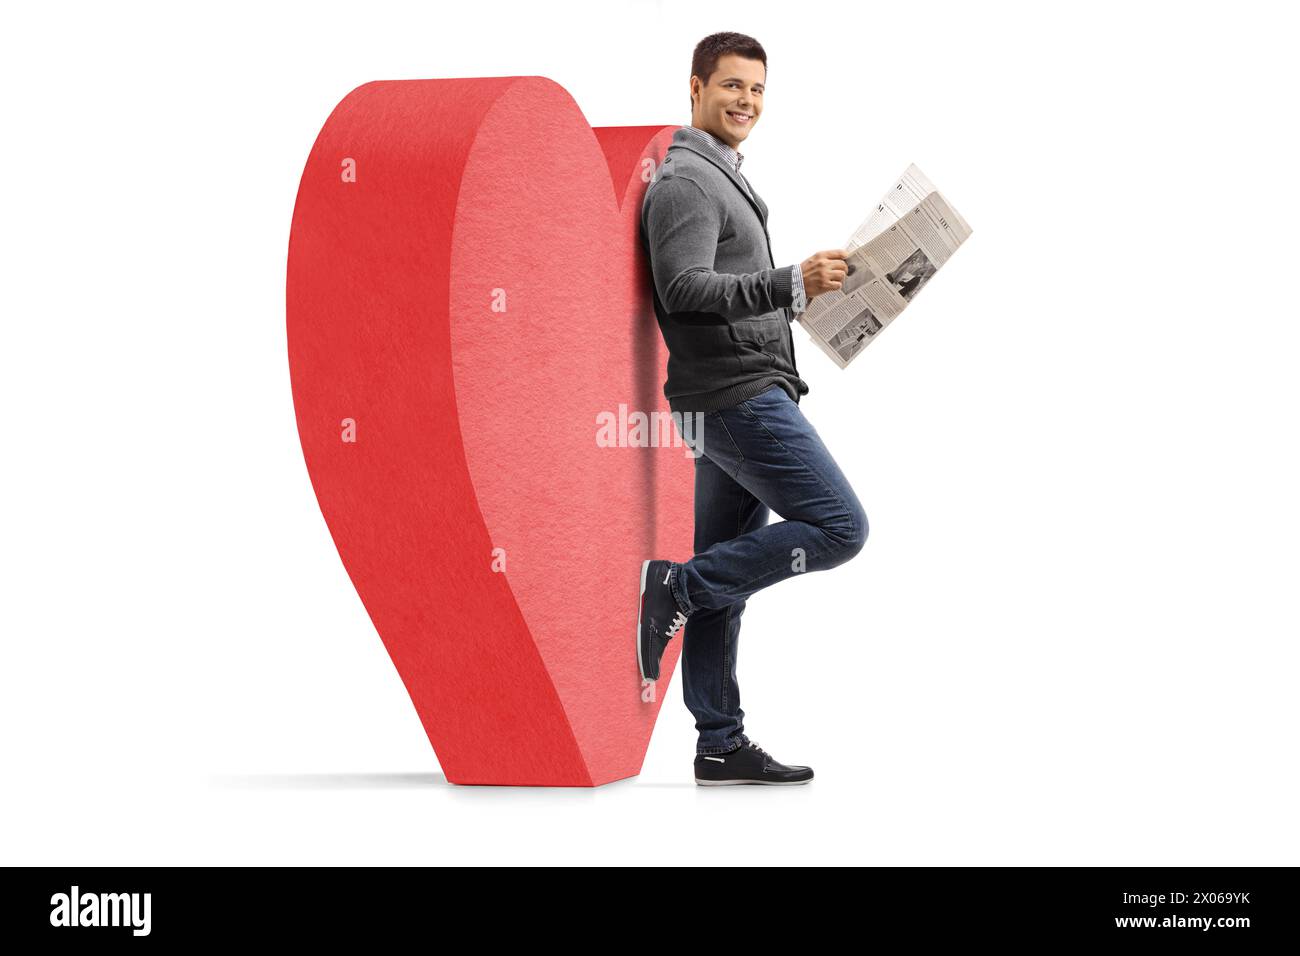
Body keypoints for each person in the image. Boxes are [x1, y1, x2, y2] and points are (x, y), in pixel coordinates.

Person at [637, 32, 869, 786]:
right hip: (735, 397)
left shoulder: (721, 177)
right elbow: (684, 289)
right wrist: (783, 281)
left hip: (736, 389)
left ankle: (717, 742)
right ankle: (677, 587)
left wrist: (803, 297)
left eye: (758, 90)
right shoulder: (686, 182)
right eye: (732, 86)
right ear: (696, 87)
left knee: (728, 573)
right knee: (839, 528)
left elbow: (725, 291)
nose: (746, 102)